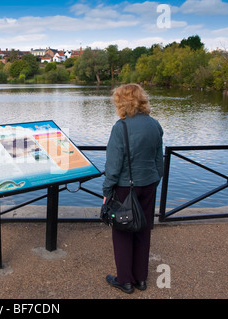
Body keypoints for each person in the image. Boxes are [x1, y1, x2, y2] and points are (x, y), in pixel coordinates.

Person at [102, 83, 164, 294]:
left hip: (125, 188)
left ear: (122, 102)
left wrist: (106, 191)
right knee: (143, 230)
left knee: (122, 232)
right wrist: (155, 179)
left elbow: (113, 165)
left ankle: (125, 281)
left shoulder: (121, 127)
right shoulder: (155, 124)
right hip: (148, 185)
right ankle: (141, 279)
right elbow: (159, 159)